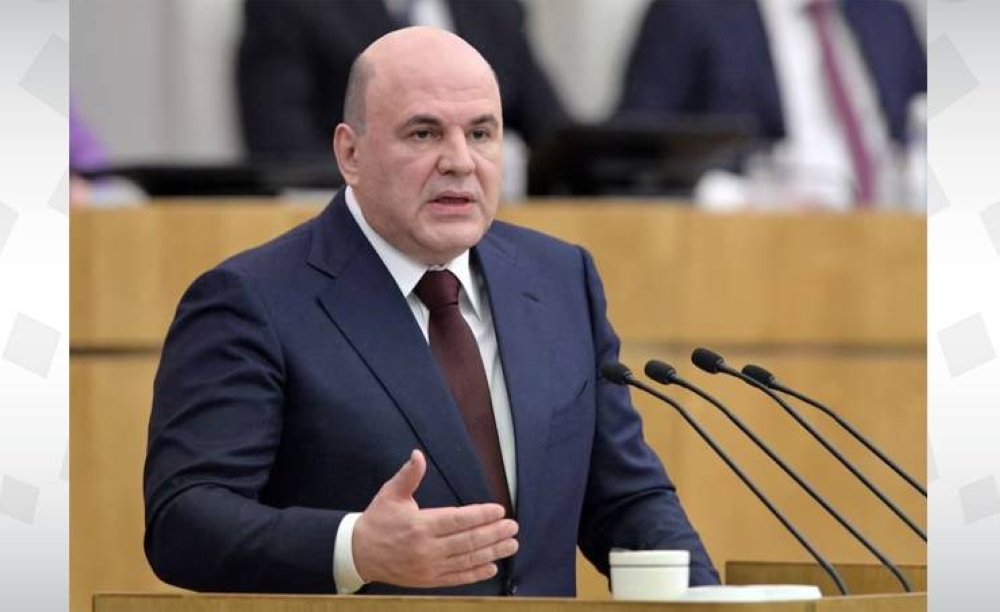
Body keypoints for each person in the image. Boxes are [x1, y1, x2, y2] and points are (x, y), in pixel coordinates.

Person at [144, 27, 718, 596]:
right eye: (424, 133)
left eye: (481, 133)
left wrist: (708, 601)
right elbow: (184, 521)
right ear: (350, 153)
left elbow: (626, 502)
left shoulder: (562, 279)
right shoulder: (252, 300)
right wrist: (354, 549)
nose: (460, 161)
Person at [618, 0, 926, 209]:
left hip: (890, 242)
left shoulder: (887, 15)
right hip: (755, 247)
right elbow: (634, 162)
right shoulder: (688, 12)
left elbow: (924, 128)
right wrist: (740, 199)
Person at [236, 0, 569, 161]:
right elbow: (283, 151)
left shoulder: (493, 9)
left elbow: (558, 140)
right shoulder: (291, 7)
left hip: (494, 230)